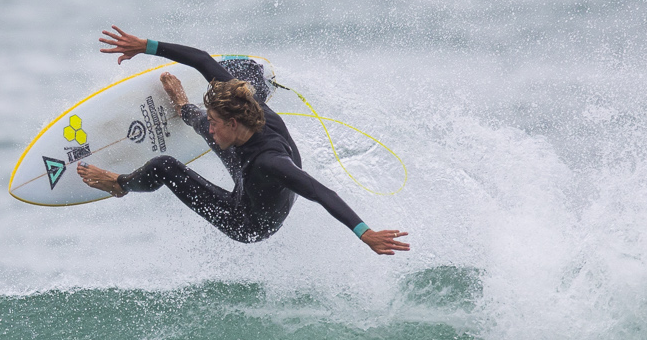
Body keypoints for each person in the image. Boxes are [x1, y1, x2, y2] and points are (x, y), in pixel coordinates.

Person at [77, 27, 411, 256]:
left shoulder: (271, 163)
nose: (212, 127)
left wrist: (364, 232)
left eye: (217, 122)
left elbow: (322, 193)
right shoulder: (246, 106)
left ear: (235, 122)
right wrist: (146, 46)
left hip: (247, 219)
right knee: (241, 78)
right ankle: (184, 108)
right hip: (246, 161)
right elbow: (203, 61)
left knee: (165, 166)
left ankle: (120, 185)